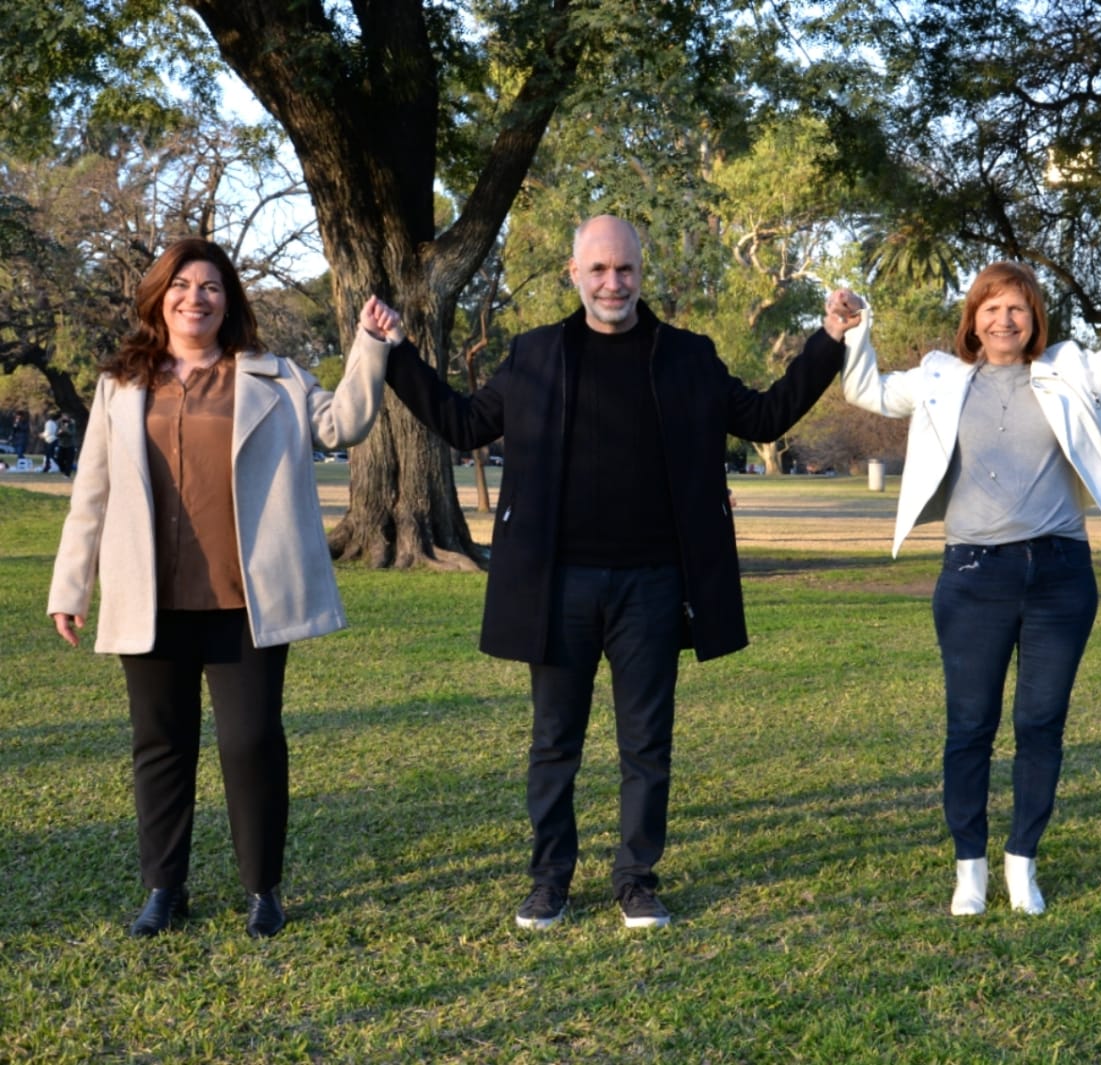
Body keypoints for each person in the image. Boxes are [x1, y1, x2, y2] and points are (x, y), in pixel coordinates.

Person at [378, 214, 856, 931]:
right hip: (557, 584)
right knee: (554, 741)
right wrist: (396, 353)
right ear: (574, 274)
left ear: (641, 271)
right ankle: (549, 881)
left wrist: (829, 340)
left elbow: (763, 416)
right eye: (598, 270)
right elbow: (463, 423)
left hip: (654, 584)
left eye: (624, 269)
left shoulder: (687, 356)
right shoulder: (535, 355)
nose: (612, 283)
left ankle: (636, 878)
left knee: (646, 742)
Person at [840, 219, 1101, 916]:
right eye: (990, 307)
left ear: (1032, 317)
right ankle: (969, 868)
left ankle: (1021, 863)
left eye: (1016, 307)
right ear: (972, 321)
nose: (1003, 318)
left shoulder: (1072, 369)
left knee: (1040, 722)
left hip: (1060, 576)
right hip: (973, 576)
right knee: (969, 724)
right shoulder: (941, 379)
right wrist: (855, 329)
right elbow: (868, 391)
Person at [47, 237, 397, 939]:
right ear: (159, 297)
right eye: (181, 285)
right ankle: (163, 888)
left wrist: (371, 344)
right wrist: (70, 584)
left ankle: (263, 889)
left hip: (244, 601)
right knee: (160, 743)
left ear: (228, 300)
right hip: (150, 598)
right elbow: (92, 488)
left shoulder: (272, 378)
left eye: (210, 286)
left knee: (251, 742)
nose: (195, 297)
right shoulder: (121, 384)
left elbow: (344, 422)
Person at [54, 413, 78, 477]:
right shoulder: (59, 423)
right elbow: (56, 434)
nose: (64, 418)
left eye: (66, 417)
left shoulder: (72, 423)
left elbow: (72, 433)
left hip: (70, 445)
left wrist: (66, 429)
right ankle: (63, 470)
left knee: (69, 460)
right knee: (59, 459)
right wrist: (60, 432)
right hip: (61, 444)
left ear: (68, 418)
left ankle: (67, 474)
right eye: (63, 417)